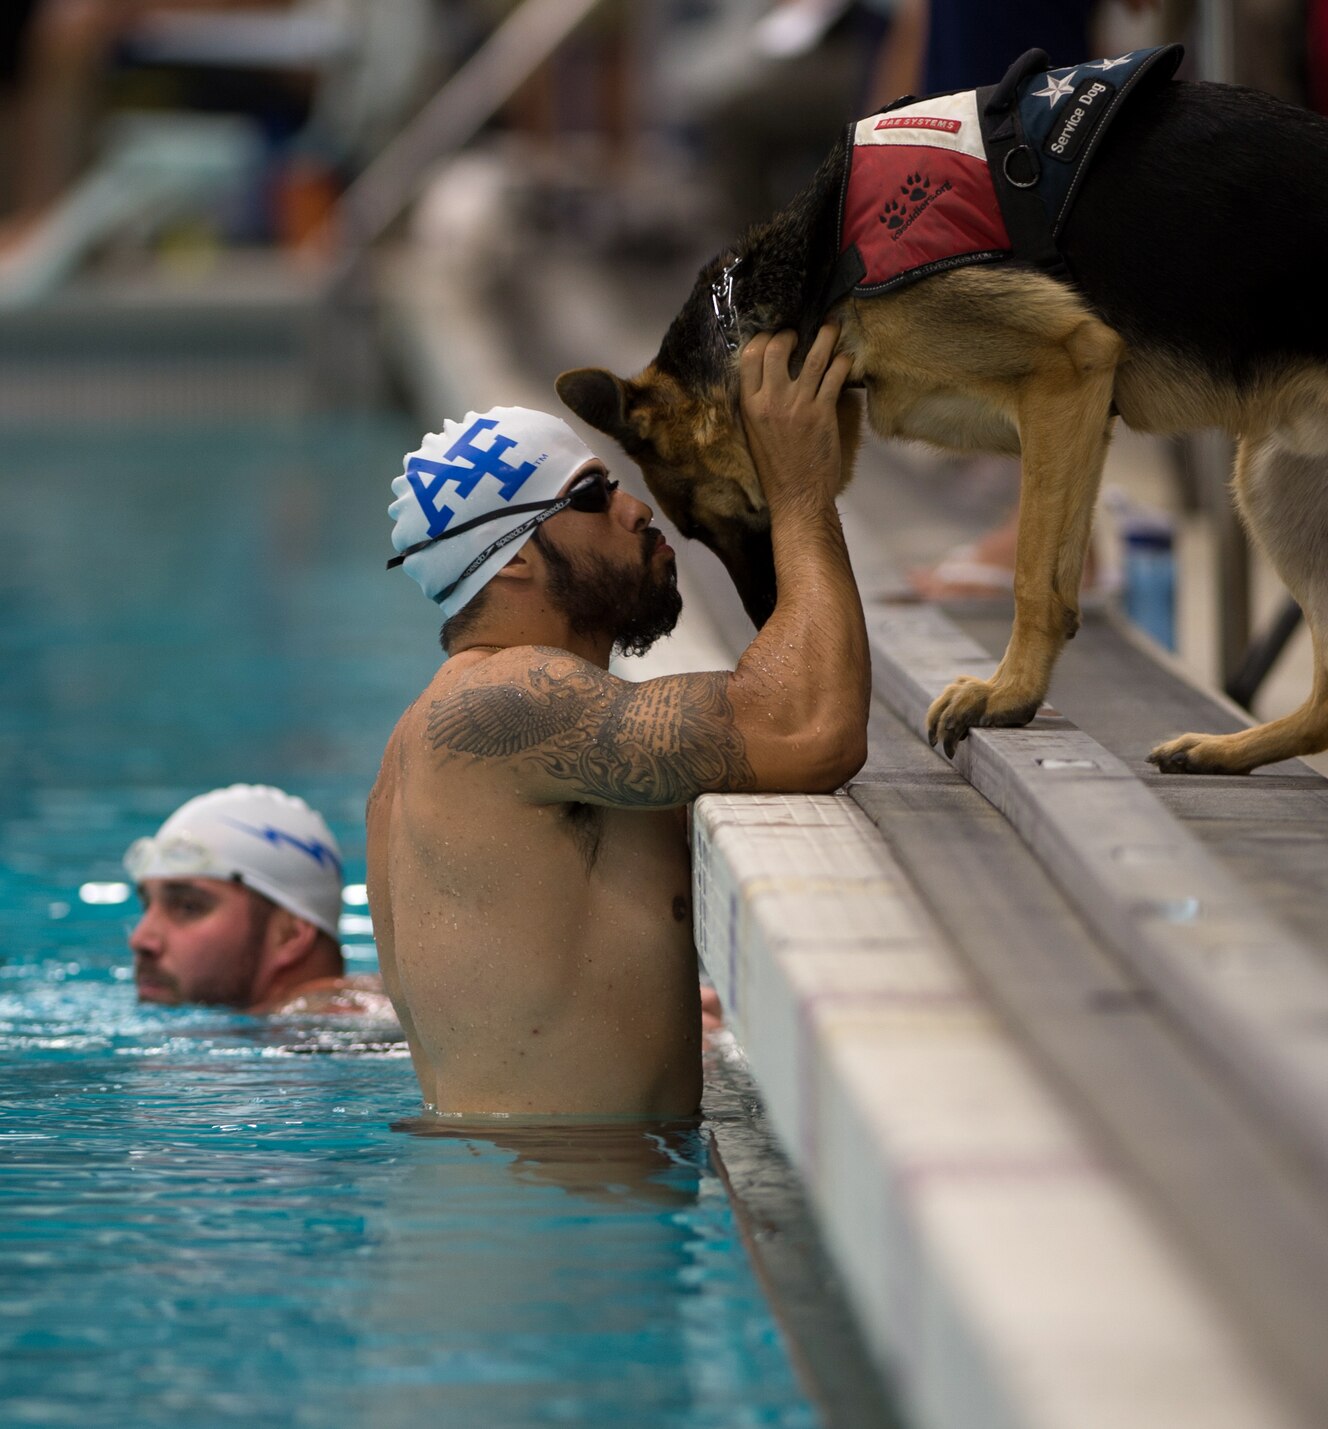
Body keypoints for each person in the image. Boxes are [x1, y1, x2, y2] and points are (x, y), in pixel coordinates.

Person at [368, 326, 869, 1121]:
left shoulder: (419, 743)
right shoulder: (510, 699)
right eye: (593, 496)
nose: (637, 507)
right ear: (516, 559)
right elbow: (810, 724)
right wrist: (801, 489)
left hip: (542, 1209)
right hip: (556, 1225)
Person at [125, 783, 386, 1015]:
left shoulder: (342, 1024)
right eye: (148, 905)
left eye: (189, 907)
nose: (140, 940)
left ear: (290, 935)